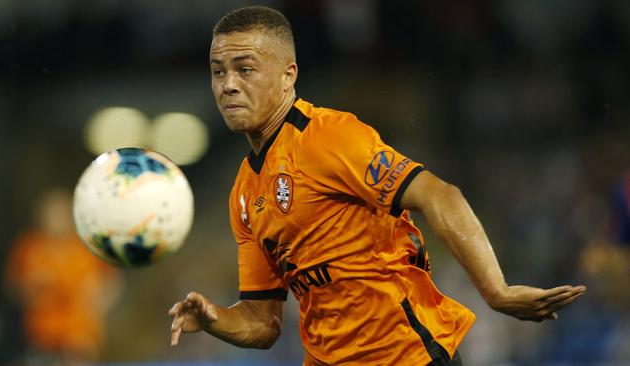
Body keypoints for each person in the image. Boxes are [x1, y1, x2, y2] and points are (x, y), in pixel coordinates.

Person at [169, 6, 586, 365]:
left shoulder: (330, 137)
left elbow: (441, 195)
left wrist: (497, 291)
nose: (227, 85)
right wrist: (214, 319)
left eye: (245, 69)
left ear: (287, 75)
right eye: (218, 71)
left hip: (409, 355)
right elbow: (263, 323)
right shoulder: (244, 190)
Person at [5, 189, 121, 364]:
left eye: (60, 213)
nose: (55, 219)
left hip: (80, 332)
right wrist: (30, 294)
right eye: (50, 213)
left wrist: (98, 302)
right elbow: (12, 283)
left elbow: (112, 280)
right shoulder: (28, 247)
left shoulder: (87, 246)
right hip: (41, 332)